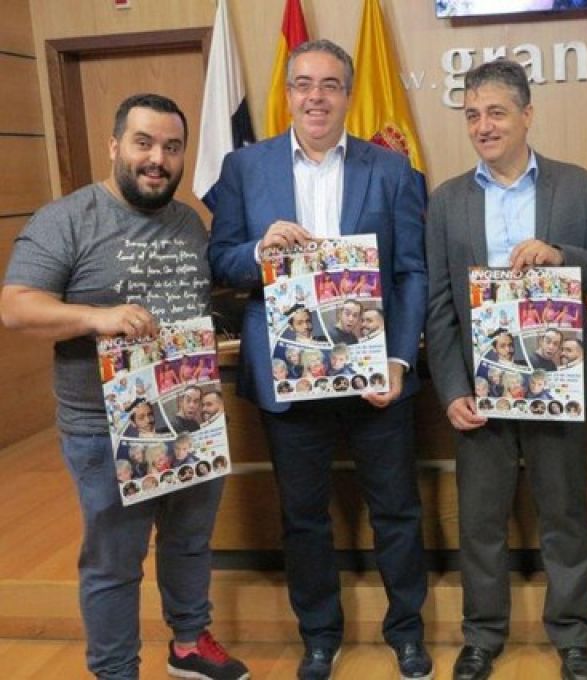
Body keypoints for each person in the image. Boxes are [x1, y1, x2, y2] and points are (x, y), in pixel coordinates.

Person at [0, 93, 247, 679]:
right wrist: (95, 317)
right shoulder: (68, 218)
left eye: (171, 147)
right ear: (115, 146)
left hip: (188, 415)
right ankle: (116, 672)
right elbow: (15, 307)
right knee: (115, 560)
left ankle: (188, 645)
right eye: (143, 143)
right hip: (105, 429)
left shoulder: (189, 222)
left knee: (190, 540)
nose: (157, 158)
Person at [208, 40, 431, 680]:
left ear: (348, 95)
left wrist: (398, 359)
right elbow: (219, 259)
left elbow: (411, 273)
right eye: (303, 83)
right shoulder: (244, 167)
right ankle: (319, 637)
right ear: (287, 93)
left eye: (330, 84)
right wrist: (259, 249)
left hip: (375, 377)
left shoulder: (391, 170)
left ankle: (406, 633)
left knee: (396, 512)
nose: (315, 96)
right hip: (288, 378)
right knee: (304, 518)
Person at [425, 58, 587, 680]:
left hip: (558, 382)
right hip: (481, 389)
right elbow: (439, 304)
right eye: (472, 115)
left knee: (565, 516)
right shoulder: (447, 200)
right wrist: (451, 389)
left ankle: (573, 635)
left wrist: (561, 256)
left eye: (496, 113)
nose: (483, 126)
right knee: (480, 522)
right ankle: (482, 636)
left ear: (527, 115)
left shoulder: (575, 184)